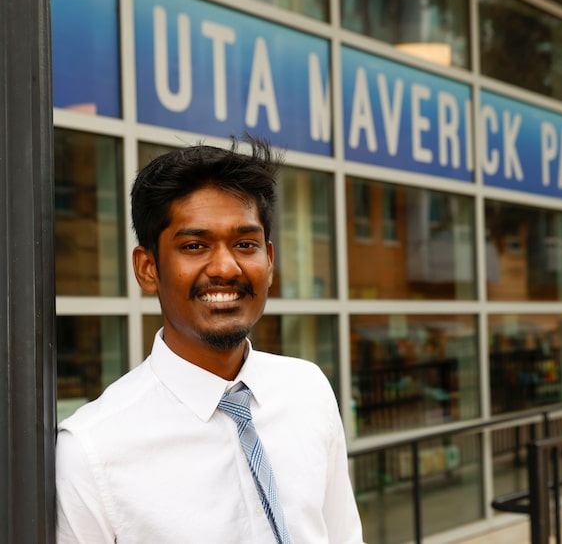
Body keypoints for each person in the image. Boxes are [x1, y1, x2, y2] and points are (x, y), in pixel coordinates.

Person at [56, 136, 365, 543]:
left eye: (245, 244)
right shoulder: (91, 451)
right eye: (195, 245)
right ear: (148, 268)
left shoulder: (308, 389)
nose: (225, 267)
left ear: (269, 261)